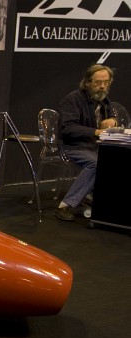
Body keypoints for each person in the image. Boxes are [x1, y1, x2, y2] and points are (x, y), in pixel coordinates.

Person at [55, 64, 119, 221]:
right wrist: (96, 132)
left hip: (94, 146)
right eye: (98, 82)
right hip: (73, 146)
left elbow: (110, 120)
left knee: (119, 159)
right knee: (96, 164)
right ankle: (66, 205)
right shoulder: (73, 100)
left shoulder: (105, 101)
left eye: (106, 82)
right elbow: (68, 129)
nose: (102, 86)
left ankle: (96, 198)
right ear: (87, 82)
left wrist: (113, 123)